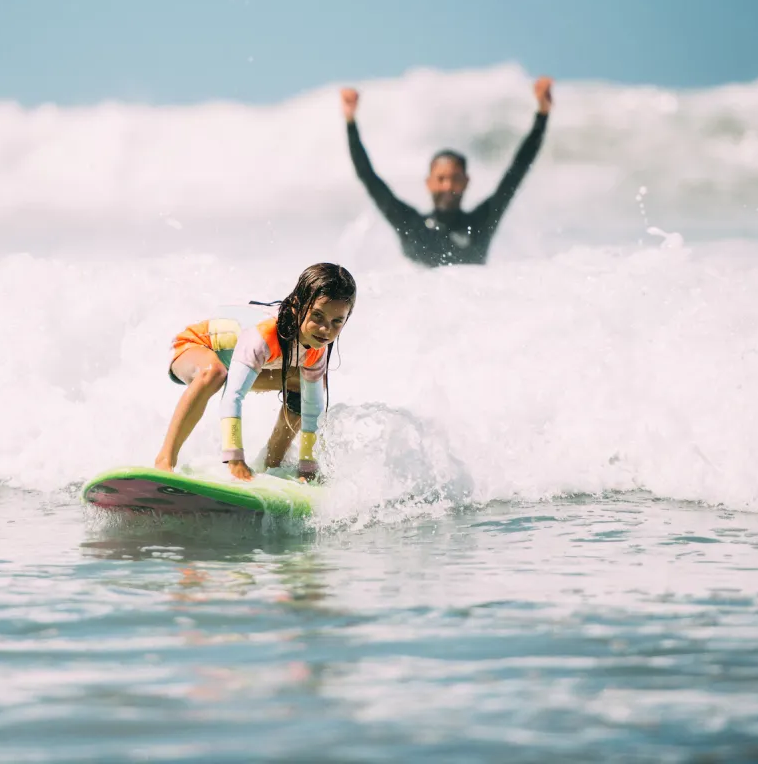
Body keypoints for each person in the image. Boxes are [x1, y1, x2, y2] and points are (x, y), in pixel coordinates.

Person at [154, 263, 356, 482]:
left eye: (337, 321)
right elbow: (233, 396)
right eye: (317, 316)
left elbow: (313, 409)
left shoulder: (317, 349)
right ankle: (165, 461)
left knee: (300, 383)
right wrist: (235, 459)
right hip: (192, 347)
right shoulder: (265, 334)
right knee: (214, 373)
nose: (326, 330)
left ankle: (272, 464)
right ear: (298, 306)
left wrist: (307, 464)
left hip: (235, 364)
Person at [341, 77, 554, 267]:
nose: (448, 186)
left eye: (455, 178)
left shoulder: (481, 223)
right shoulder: (410, 226)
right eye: (441, 178)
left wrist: (542, 114)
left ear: (466, 181)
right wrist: (350, 121)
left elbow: (516, 173)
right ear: (428, 182)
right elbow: (368, 176)